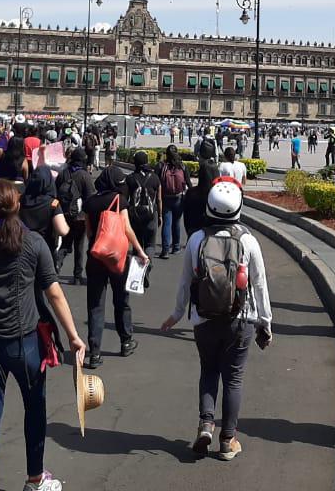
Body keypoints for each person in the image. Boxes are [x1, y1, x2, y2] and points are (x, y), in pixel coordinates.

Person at [0, 180, 85, 491]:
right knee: (34, 407)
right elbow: (54, 295)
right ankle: (35, 479)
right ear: (18, 207)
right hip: (24, 341)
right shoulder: (34, 242)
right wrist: (73, 336)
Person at [162, 177, 273, 461]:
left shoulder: (197, 239)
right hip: (241, 319)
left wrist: (176, 315)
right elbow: (259, 285)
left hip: (204, 319)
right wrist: (265, 322)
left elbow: (185, 282)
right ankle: (228, 440)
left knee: (209, 370)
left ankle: (206, 424)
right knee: (233, 378)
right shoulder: (248, 241)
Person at [83, 165, 149, 369]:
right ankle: (126, 341)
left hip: (95, 257)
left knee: (95, 304)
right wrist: (140, 250)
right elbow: (127, 228)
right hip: (118, 257)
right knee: (121, 300)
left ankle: (94, 352)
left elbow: (89, 232)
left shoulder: (90, 202)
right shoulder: (119, 201)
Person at [55, 147, 95, 285]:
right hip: (80, 217)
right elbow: (90, 197)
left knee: (65, 243)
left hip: (64, 215)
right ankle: (77, 276)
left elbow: (56, 192)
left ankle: (57, 264)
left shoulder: (63, 173)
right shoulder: (84, 175)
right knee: (79, 246)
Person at [128, 150, 162, 262]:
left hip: (135, 216)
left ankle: (136, 272)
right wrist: (160, 215)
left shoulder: (130, 178)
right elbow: (159, 199)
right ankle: (148, 265)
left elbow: (126, 198)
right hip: (151, 215)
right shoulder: (155, 178)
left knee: (136, 244)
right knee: (150, 245)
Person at [158, 145, 188, 257]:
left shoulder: (161, 166)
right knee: (176, 222)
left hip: (165, 197)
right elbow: (188, 183)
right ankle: (176, 247)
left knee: (166, 223)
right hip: (179, 198)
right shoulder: (182, 166)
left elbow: (157, 182)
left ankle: (165, 250)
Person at [182, 161, 219, 238]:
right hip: (213, 235)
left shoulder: (191, 193)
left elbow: (186, 218)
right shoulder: (218, 195)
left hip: (194, 232)